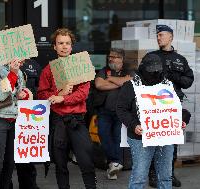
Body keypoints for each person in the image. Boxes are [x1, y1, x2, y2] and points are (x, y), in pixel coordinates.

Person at [116, 53, 187, 189]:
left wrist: (181, 120)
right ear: (143, 69)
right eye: (151, 71)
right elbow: (121, 109)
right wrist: (133, 125)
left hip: (165, 136)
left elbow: (177, 108)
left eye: (157, 71)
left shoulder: (168, 85)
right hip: (139, 137)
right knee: (139, 177)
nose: (154, 74)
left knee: (166, 176)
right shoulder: (130, 86)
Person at [37, 28, 96, 189]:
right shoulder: (47, 70)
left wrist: (62, 98)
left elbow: (83, 94)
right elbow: (42, 95)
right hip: (58, 122)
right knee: (60, 164)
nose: (64, 46)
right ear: (54, 47)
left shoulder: (80, 65)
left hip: (77, 120)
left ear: (72, 46)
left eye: (67, 43)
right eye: (60, 43)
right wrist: (58, 93)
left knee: (86, 162)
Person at [0, 44, 39, 189]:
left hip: (14, 119)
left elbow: (16, 94)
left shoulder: (16, 69)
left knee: (9, 165)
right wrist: (12, 72)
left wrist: (21, 95)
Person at [147, 24, 194, 188]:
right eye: (157, 35)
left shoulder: (180, 59)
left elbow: (189, 81)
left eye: (162, 35)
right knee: (154, 140)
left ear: (171, 37)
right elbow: (140, 78)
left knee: (172, 141)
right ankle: (153, 174)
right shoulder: (151, 56)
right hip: (153, 105)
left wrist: (175, 76)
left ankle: (169, 173)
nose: (159, 37)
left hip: (173, 105)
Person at [94, 48, 132, 180]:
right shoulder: (104, 70)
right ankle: (115, 163)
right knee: (103, 136)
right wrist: (119, 82)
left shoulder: (128, 71)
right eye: (109, 56)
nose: (110, 59)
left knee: (117, 138)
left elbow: (129, 83)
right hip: (104, 111)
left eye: (114, 57)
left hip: (121, 112)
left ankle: (113, 165)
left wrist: (110, 80)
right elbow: (99, 84)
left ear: (121, 59)